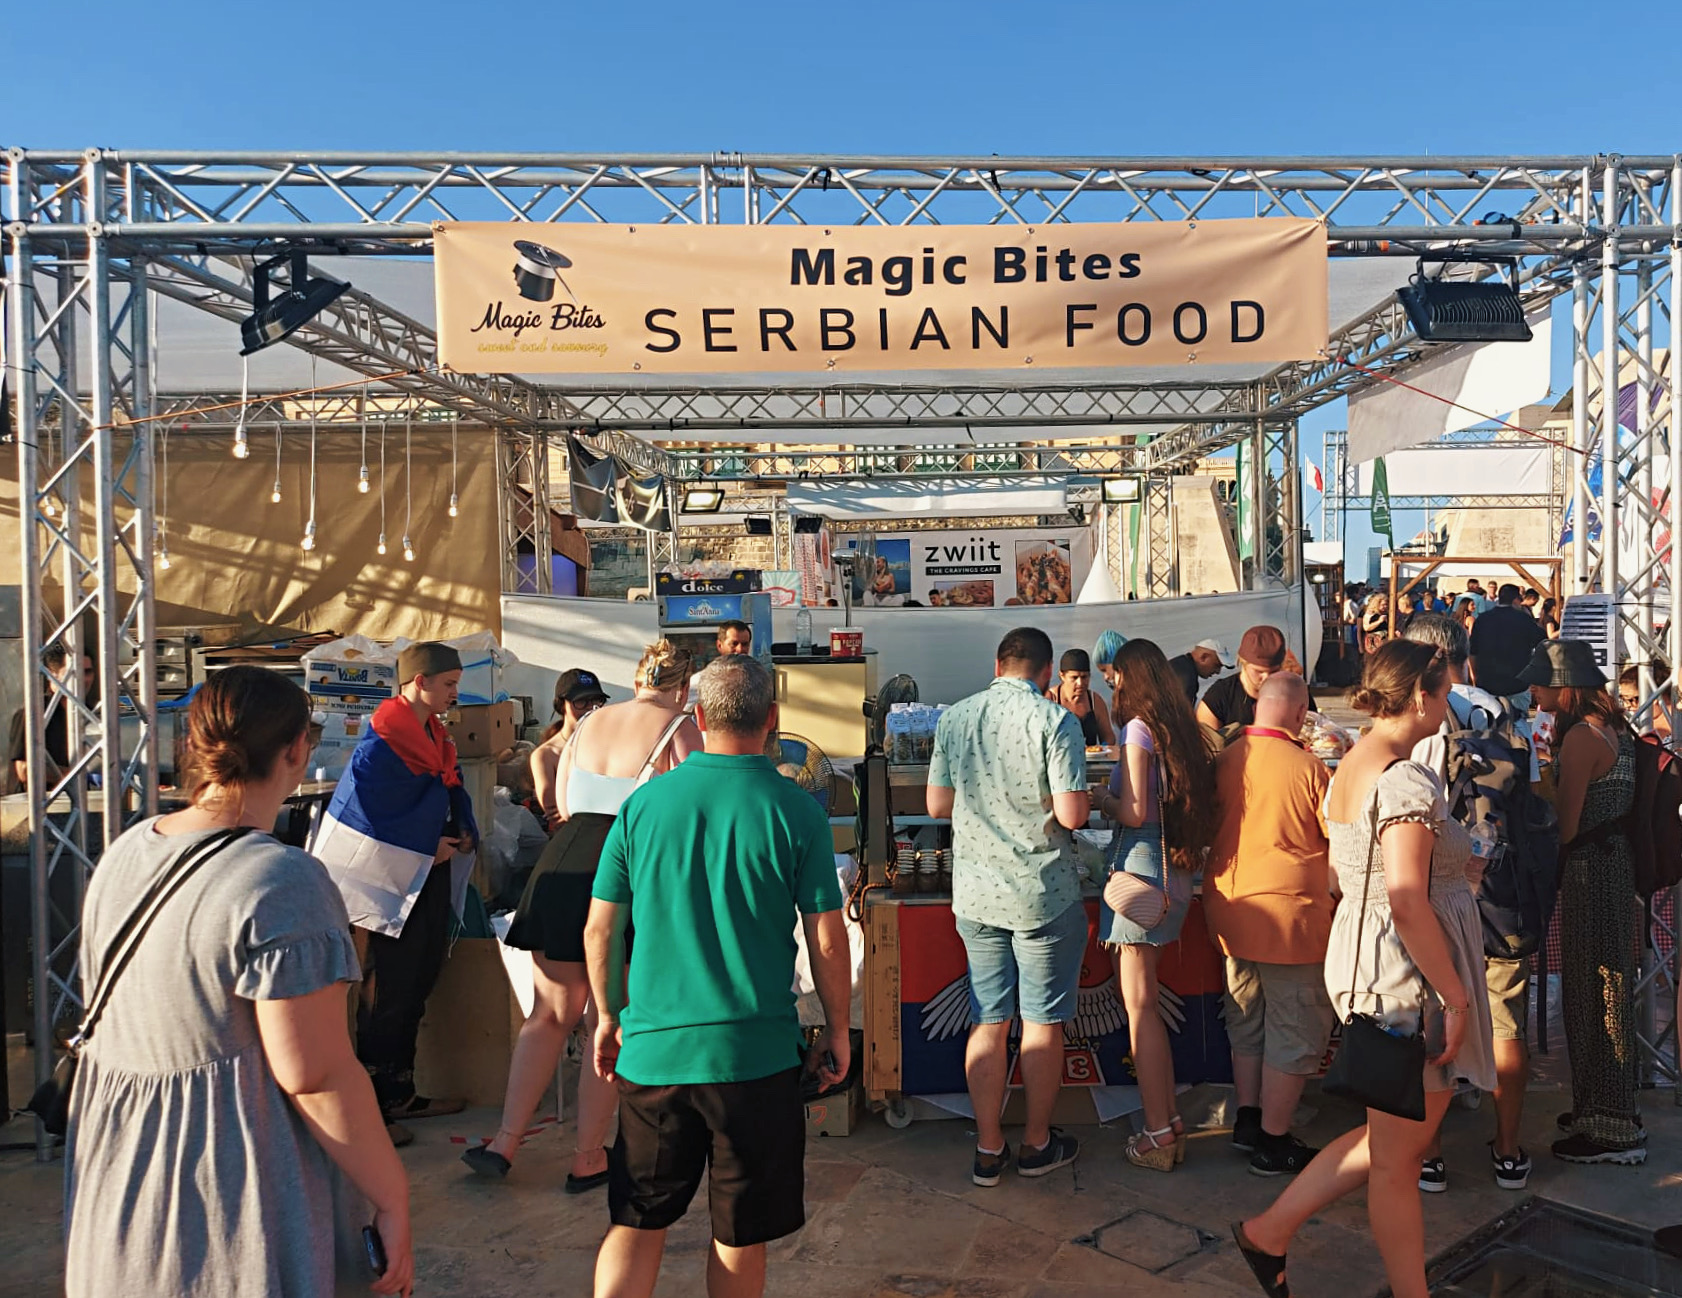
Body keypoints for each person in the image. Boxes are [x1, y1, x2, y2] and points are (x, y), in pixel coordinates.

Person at [64, 666, 414, 1298]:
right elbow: (315, 1075)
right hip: (228, 1190)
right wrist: (391, 1196)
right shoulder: (283, 880)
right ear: (297, 750)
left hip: (117, 1186)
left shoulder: (125, 852)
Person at [1235, 640, 1496, 1298]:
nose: (1448, 705)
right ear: (1420, 698)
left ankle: (1269, 1231)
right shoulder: (1403, 777)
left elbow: (1352, 877)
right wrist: (1457, 997)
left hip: (1374, 961)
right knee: (1400, 1157)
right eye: (1444, 693)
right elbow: (1405, 899)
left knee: (1391, 1140)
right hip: (1410, 972)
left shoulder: (1354, 761)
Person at [584, 655, 850, 1298]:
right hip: (754, 1057)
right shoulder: (797, 811)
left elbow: (599, 931)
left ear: (698, 717)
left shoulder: (642, 807)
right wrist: (838, 1029)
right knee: (739, 1233)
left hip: (655, 1054)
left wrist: (610, 1016)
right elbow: (826, 936)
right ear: (773, 720)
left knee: (636, 1222)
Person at [480, 641, 701, 1189]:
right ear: (683, 686)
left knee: (548, 1014)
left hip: (563, 862)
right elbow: (688, 813)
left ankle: (504, 1142)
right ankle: (587, 1157)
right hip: (627, 867)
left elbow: (561, 801)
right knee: (610, 1017)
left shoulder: (589, 723)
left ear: (637, 679)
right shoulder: (679, 727)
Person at [927, 628, 1090, 1187]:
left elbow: (937, 804)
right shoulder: (1056, 721)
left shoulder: (955, 718)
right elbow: (1072, 816)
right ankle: (1037, 1143)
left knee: (988, 1019)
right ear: (1047, 672)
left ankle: (988, 1147)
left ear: (997, 665)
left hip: (976, 893)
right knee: (1042, 1022)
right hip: (1042, 895)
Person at [312, 643, 478, 1130]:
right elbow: (368, 815)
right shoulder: (381, 744)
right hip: (391, 878)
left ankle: (399, 1090)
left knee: (418, 976)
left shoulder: (433, 735)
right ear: (419, 681)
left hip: (425, 872)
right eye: (448, 684)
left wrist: (460, 828)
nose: (455, 693)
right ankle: (380, 1099)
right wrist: (427, 847)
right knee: (390, 983)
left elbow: (446, 786)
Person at [1403, 614, 1538, 1193]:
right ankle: (1507, 1151)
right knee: (1506, 1021)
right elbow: (1530, 803)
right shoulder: (1508, 718)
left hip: (1440, 892)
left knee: (1433, 1015)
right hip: (1502, 892)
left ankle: (1429, 1156)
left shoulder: (1420, 722)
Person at [1518, 640, 1647, 1166]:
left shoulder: (1579, 738)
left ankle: (1611, 1127)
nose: (1533, 689)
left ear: (1564, 686)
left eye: (1541, 682)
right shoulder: (1616, 728)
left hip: (1591, 871)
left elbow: (1566, 825)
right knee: (1607, 986)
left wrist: (1540, 782)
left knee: (1594, 990)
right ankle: (1602, 1108)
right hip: (1613, 867)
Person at [1093, 639, 1218, 1172]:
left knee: (1140, 1009)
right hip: (1175, 874)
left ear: (1130, 678)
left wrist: (1101, 799)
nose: (1111, 684)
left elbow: (1135, 810)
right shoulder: (1179, 728)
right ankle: (1169, 1121)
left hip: (1139, 877)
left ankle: (1158, 1133)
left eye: (1116, 676)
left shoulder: (1137, 730)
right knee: (1147, 1006)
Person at [1203, 673, 1335, 1179]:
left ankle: (1249, 1118)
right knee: (1293, 1029)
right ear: (1300, 714)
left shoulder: (1224, 760)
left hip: (1230, 914)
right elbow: (1338, 843)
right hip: (1290, 921)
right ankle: (1274, 1142)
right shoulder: (1308, 767)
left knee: (1246, 1019)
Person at [5, 642, 94, 794]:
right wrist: (76, 774)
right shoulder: (34, 714)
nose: (83, 679)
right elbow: (24, 770)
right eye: (75, 673)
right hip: (38, 804)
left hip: (82, 802)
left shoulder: (92, 714)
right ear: (52, 674)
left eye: (88, 672)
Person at [530, 667, 611, 827]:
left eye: (597, 701)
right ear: (562, 705)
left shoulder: (609, 744)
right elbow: (555, 814)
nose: (591, 708)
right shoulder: (546, 755)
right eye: (581, 702)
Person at [1197, 626, 1287, 731]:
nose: (1266, 677)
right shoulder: (1219, 697)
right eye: (1258, 671)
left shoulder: (1293, 693)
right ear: (1243, 662)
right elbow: (1206, 739)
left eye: (1274, 672)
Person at [1469, 585, 1545, 706]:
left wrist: (1475, 677)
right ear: (1515, 600)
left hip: (1488, 684)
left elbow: (1473, 653)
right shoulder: (1523, 619)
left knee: (1489, 717)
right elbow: (1541, 642)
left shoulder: (1482, 619)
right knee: (1518, 717)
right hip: (1517, 684)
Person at [1049, 648, 1116, 748]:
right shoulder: (1050, 699)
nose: (1080, 683)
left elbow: (1108, 737)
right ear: (1062, 676)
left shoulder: (1095, 701)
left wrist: (1102, 748)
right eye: (1074, 678)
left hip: (1090, 756)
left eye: (1084, 677)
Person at [1167, 638, 1234, 706]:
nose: (1218, 672)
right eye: (1216, 665)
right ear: (1204, 657)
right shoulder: (1188, 679)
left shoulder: (1178, 663)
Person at [1618, 662, 1672, 742]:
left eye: (1631, 700)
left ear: (1654, 696)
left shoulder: (1677, 728)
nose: (1626, 706)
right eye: (1622, 699)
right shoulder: (1632, 726)